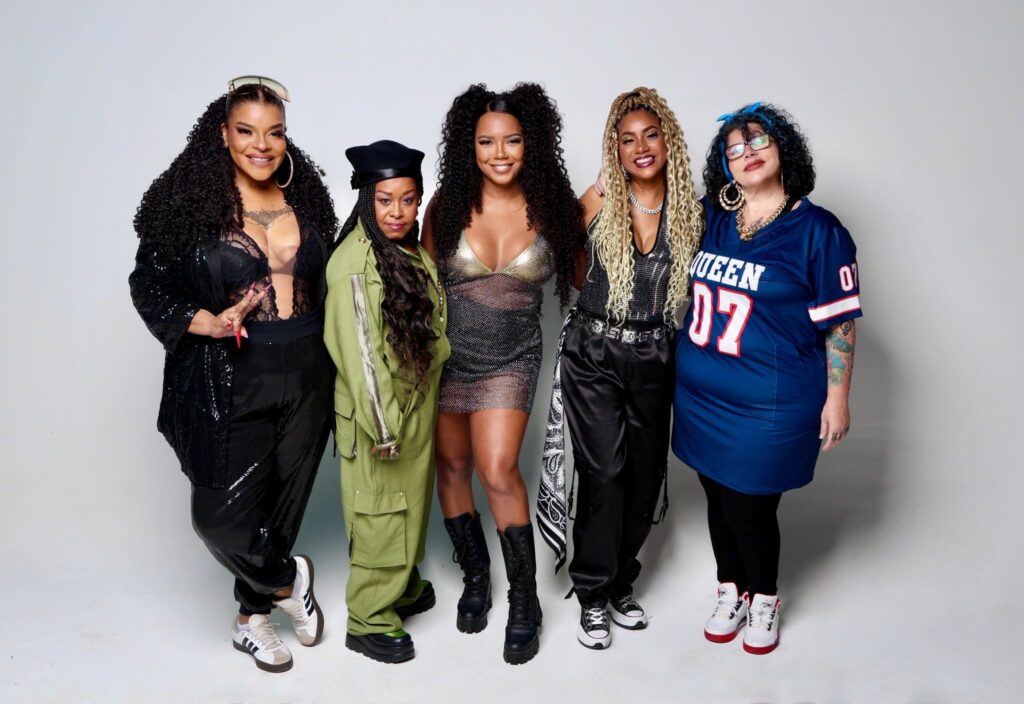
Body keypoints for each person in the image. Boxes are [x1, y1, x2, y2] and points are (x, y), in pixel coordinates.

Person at [129, 76, 338, 673]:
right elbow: (148, 284)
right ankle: (288, 580)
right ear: (223, 134)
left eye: (275, 133)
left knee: (281, 506)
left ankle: (251, 620)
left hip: (309, 370)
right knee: (218, 517)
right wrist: (207, 323)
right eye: (246, 131)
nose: (261, 145)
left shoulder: (307, 200)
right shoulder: (189, 209)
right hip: (233, 372)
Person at [673, 102, 861, 655]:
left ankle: (764, 595)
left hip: (769, 402)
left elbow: (840, 321)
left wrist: (838, 397)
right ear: (724, 165)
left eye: (758, 140)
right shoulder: (712, 215)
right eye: (734, 148)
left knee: (748, 504)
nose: (747, 153)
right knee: (714, 490)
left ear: (783, 149)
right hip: (701, 394)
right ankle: (730, 586)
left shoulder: (818, 230)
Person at [423, 83, 583, 665]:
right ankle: (475, 576)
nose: (499, 153)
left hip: (511, 359)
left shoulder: (553, 208)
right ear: (469, 147)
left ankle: (524, 599)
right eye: (486, 141)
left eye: (511, 141)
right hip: (447, 358)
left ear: (529, 143)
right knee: (452, 466)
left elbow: (585, 280)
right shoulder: (446, 204)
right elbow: (421, 285)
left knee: (496, 467)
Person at [541, 87, 704, 650]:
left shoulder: (691, 212)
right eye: (627, 139)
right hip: (594, 353)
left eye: (650, 135)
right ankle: (591, 593)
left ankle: (619, 583)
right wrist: (590, 196)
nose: (640, 147)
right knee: (605, 474)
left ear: (668, 142)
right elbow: (557, 254)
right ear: (615, 148)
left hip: (656, 353)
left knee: (643, 476)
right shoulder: (600, 199)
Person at [325, 140, 450, 664]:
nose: (397, 212)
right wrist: (385, 428)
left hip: (413, 403)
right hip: (382, 416)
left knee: (410, 504)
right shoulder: (355, 265)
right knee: (381, 510)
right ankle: (369, 616)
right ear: (365, 200)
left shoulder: (405, 248)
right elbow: (363, 361)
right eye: (384, 200)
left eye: (408, 199)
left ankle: (400, 585)